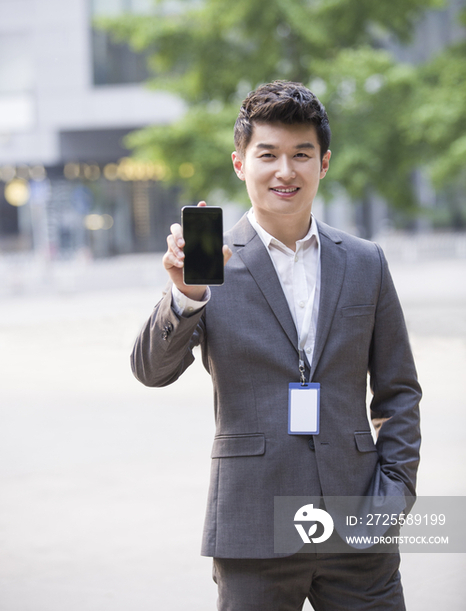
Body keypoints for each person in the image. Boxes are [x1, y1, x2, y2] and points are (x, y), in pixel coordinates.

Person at [131, 80, 421, 611]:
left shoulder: (365, 262)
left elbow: (399, 390)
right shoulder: (208, 263)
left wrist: (395, 493)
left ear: (324, 164)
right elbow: (150, 370)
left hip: (359, 527)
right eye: (268, 155)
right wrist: (185, 293)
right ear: (240, 164)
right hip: (253, 525)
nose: (285, 171)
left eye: (301, 154)